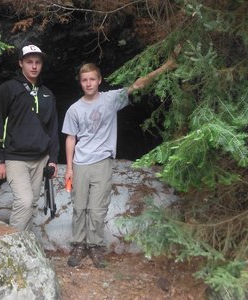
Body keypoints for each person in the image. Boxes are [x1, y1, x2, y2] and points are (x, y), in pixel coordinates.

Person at [62, 54, 179, 268]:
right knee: (80, 207)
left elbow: (137, 84)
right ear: (81, 82)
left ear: (99, 80)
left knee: (97, 208)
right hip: (80, 163)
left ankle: (95, 246)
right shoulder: (74, 109)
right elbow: (70, 138)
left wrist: (165, 67)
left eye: (92, 79)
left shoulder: (110, 99)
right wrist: (69, 168)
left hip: (103, 162)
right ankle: (79, 244)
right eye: (84, 80)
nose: (88, 83)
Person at [0, 43, 59, 231]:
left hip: (40, 159)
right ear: (21, 63)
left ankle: (26, 247)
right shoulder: (8, 89)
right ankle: (14, 245)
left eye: (37, 62)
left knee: (33, 204)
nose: (34, 66)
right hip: (15, 157)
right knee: (25, 201)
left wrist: (53, 159)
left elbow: (52, 129)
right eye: (29, 62)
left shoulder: (47, 94)